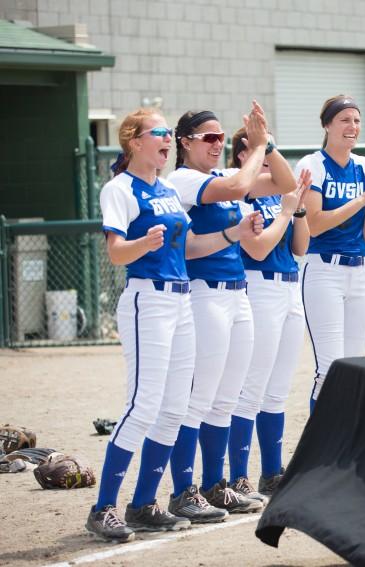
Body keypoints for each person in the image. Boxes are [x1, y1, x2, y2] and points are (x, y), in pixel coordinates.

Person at [90, 108, 262, 541]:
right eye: (160, 133)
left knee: (172, 409)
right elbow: (115, 254)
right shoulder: (119, 188)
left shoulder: (166, 188)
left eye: (169, 133)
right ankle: (103, 508)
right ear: (134, 141)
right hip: (147, 299)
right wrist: (139, 243)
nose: (167, 139)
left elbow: (191, 245)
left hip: (182, 300)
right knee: (142, 405)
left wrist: (233, 233)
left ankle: (144, 503)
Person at [166, 102, 295, 519]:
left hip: (237, 294)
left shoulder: (222, 175)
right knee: (199, 396)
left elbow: (285, 182)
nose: (218, 144)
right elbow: (241, 187)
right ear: (184, 143)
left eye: (222, 137)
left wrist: (267, 144)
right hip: (205, 294)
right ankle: (183, 489)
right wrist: (254, 146)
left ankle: (214, 484)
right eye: (210, 137)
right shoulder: (183, 179)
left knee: (224, 398)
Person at [295, 95, 365, 410]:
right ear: (327, 125)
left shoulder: (364, 166)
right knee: (329, 369)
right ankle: (319, 452)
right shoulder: (312, 164)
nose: (352, 126)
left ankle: (347, 448)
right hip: (324, 269)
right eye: (344, 120)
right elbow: (315, 224)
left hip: (360, 269)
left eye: (356, 120)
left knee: (354, 366)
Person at [226, 128, 311, 498]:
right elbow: (258, 249)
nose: (269, 159)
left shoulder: (278, 193)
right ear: (243, 155)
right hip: (258, 284)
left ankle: (272, 471)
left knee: (277, 389)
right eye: (262, 149)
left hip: (290, 285)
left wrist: (299, 208)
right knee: (252, 386)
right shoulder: (237, 192)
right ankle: (238, 475)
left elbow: (301, 245)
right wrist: (286, 211)